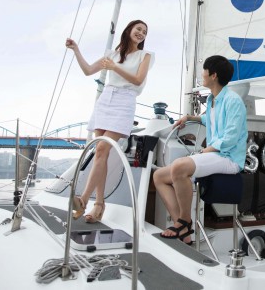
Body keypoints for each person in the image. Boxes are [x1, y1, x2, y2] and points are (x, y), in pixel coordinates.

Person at [65, 19, 154, 222]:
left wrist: (114, 67)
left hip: (125, 100)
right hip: (106, 99)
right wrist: (76, 50)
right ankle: (99, 204)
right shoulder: (112, 54)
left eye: (144, 32)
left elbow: (138, 80)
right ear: (129, 30)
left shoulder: (145, 55)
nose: (141, 33)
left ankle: (83, 199)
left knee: (103, 149)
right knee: (100, 153)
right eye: (138, 29)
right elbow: (88, 70)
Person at [154, 55, 247, 243]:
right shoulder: (214, 100)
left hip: (229, 158)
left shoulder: (233, 101)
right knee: (159, 177)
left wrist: (206, 150)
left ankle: (184, 220)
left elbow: (230, 138)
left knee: (179, 167)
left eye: (204, 70)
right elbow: (209, 119)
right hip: (217, 154)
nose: (202, 74)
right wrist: (189, 117)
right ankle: (184, 231)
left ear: (213, 75)